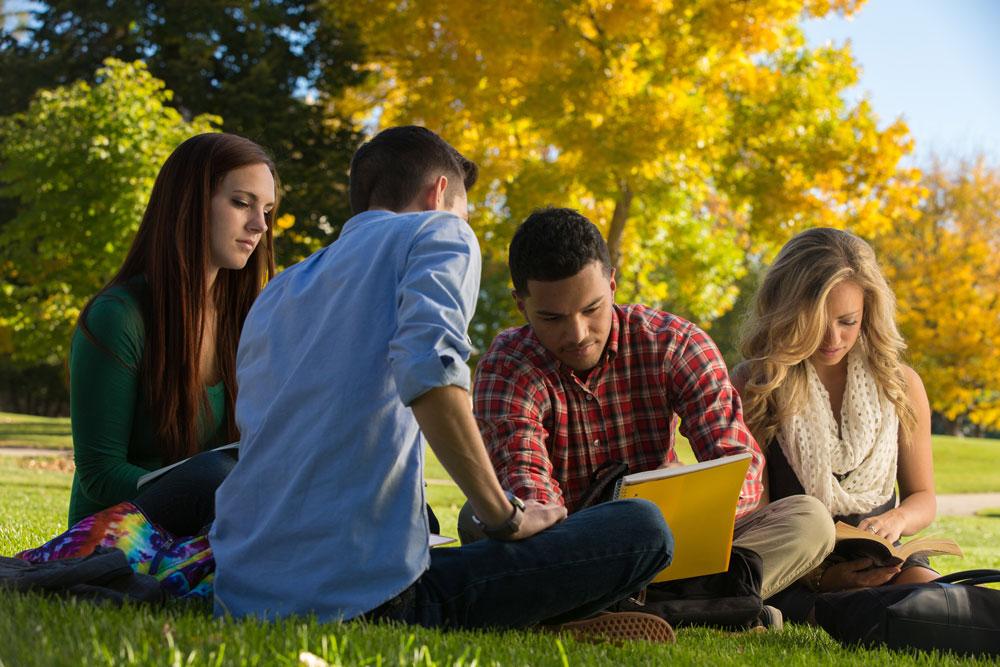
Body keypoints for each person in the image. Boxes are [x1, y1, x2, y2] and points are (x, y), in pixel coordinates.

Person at [210, 126, 674, 639]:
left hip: (243, 596)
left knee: (440, 537)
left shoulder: (280, 290)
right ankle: (539, 619)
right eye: (465, 211)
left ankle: (547, 614)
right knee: (644, 530)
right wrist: (504, 516)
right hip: (366, 602)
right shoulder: (438, 232)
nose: (464, 225)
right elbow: (430, 370)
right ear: (438, 194)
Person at [471, 208, 835, 616]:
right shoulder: (508, 366)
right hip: (569, 553)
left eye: (591, 309)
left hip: (676, 544)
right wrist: (607, 537)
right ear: (522, 306)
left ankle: (617, 608)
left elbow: (741, 467)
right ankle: (710, 606)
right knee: (480, 519)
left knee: (809, 520)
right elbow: (527, 486)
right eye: (552, 318)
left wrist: (686, 498)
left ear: (612, 285)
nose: (577, 334)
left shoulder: (673, 343)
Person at [68, 133, 277, 536]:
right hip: (119, 538)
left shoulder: (250, 319)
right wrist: (216, 489)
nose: (260, 225)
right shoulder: (118, 317)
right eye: (241, 203)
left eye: (267, 210)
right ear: (189, 203)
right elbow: (100, 474)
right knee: (213, 476)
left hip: (215, 527)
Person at [734, 227, 937, 621]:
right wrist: (823, 576)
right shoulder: (756, 384)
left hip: (883, 558)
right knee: (857, 614)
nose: (832, 337)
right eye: (815, 321)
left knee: (934, 604)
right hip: (797, 567)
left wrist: (897, 520)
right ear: (787, 312)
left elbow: (923, 496)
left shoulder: (901, 384)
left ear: (868, 312)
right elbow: (753, 521)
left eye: (847, 321)